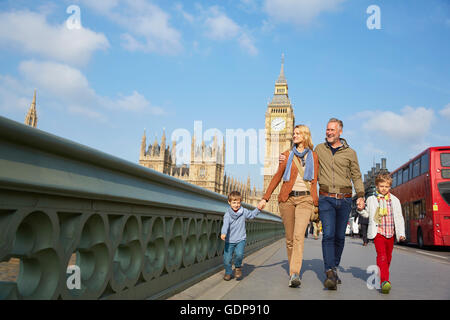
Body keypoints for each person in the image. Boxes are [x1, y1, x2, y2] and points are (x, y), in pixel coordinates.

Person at [281, 118, 365, 289]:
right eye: (327, 129)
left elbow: (356, 175)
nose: (329, 132)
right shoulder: (319, 149)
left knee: (339, 237)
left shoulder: (351, 153)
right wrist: (285, 155)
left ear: (340, 132)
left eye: (332, 130)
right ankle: (329, 271)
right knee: (328, 235)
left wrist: (361, 195)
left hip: (345, 198)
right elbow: (301, 152)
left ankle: (334, 267)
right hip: (325, 197)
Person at [258, 125, 319, 288]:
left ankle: (294, 273)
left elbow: (315, 182)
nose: (294, 135)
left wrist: (317, 202)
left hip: (305, 200)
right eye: (293, 133)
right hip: (287, 199)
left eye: (298, 133)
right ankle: (294, 268)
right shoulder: (286, 156)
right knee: (290, 238)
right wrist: (265, 198)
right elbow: (277, 176)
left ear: (306, 136)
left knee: (299, 236)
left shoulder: (314, 156)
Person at [358, 173, 406, 294]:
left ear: (390, 187)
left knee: (388, 257)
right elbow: (367, 214)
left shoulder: (395, 200)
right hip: (378, 232)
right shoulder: (371, 199)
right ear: (377, 186)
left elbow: (399, 218)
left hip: (391, 233)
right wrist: (360, 210)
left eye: (386, 186)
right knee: (382, 256)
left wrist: (401, 233)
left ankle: (383, 274)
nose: (384, 188)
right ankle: (385, 281)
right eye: (381, 186)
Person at [220, 191, 261, 281]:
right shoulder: (227, 214)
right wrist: (223, 233)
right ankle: (228, 272)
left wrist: (258, 209)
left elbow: (252, 215)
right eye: (234, 202)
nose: (236, 205)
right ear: (229, 202)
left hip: (240, 239)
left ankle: (238, 268)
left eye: (238, 202)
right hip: (229, 240)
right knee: (227, 259)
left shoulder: (244, 211)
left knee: (239, 254)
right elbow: (225, 225)